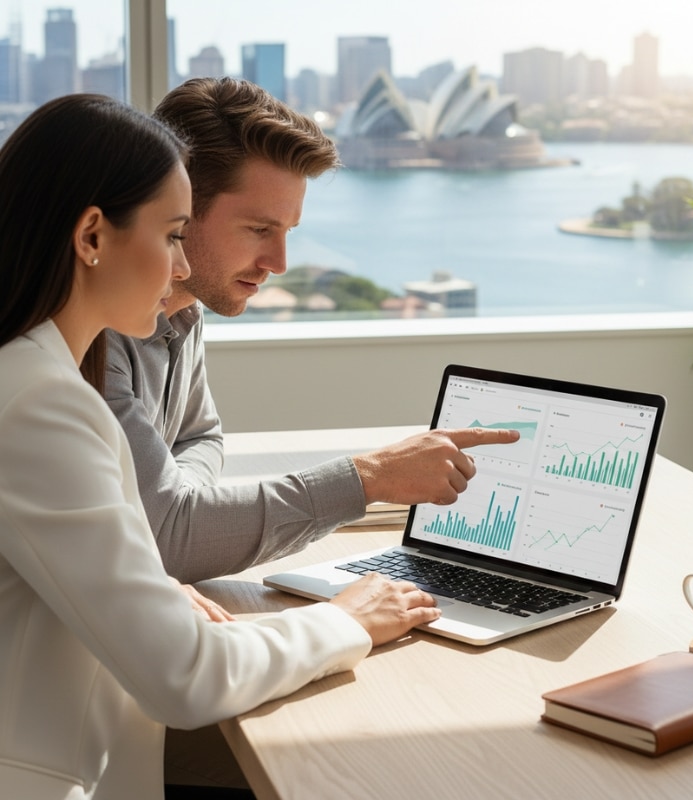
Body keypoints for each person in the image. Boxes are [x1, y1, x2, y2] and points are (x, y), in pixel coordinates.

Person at [0, 93, 442, 800]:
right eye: (173, 234)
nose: (180, 270)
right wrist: (344, 620)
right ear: (92, 237)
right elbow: (185, 675)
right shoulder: (42, 405)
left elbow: (195, 446)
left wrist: (143, 569)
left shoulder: (39, 377)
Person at [104, 76, 519, 586]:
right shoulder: (97, 337)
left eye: (287, 232)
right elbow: (169, 540)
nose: (279, 263)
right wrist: (369, 478)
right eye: (259, 229)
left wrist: (182, 502)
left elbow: (199, 435)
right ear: (179, 208)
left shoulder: (184, 311)